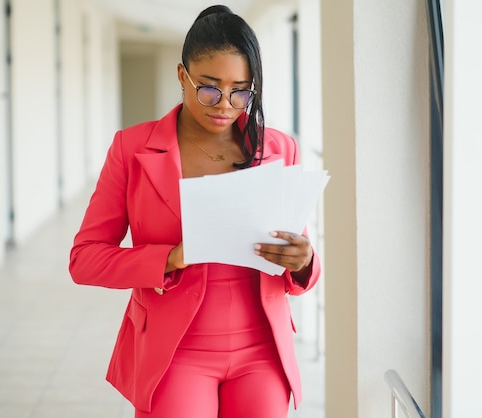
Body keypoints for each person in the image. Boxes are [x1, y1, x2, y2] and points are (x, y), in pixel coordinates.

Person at [68, 4, 320, 418]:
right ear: (182, 76)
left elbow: (297, 252)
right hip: (174, 354)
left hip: (263, 353)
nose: (225, 105)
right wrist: (168, 258)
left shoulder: (278, 148)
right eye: (209, 88)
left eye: (241, 91)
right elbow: (85, 260)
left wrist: (304, 260)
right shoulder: (132, 149)